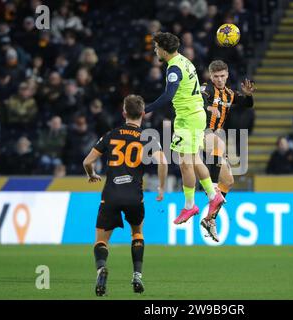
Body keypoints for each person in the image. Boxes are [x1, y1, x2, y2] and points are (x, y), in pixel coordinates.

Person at [82, 95, 168, 296]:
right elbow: (163, 162)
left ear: (124, 113)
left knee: (101, 241)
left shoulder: (111, 135)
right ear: (143, 114)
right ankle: (137, 275)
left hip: (111, 195)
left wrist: (92, 175)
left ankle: (102, 268)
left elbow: (87, 161)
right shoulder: (148, 138)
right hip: (134, 196)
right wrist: (162, 188)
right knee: (137, 233)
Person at [145, 32, 225, 225]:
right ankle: (213, 196)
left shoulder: (173, 68)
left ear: (164, 49)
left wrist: (145, 110)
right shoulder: (185, 61)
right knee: (195, 159)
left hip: (188, 119)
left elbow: (168, 96)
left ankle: (190, 206)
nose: (155, 50)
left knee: (185, 163)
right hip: (196, 115)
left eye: (156, 47)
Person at [200, 60, 255, 241]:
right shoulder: (206, 89)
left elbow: (247, 104)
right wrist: (207, 107)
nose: (220, 79)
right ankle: (212, 189)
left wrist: (248, 96)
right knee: (218, 140)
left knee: (229, 181)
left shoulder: (229, 94)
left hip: (214, 138)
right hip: (199, 134)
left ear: (227, 75)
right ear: (210, 76)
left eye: (222, 76)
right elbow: (199, 100)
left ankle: (210, 218)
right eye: (216, 76)